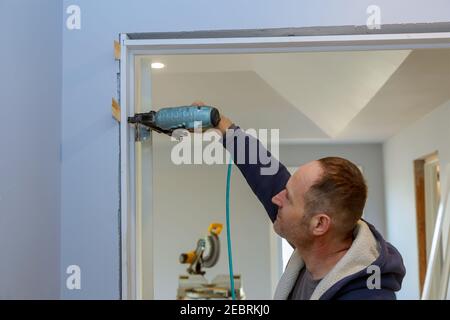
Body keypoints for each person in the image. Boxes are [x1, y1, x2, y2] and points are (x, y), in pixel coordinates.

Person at [191, 101, 406, 300]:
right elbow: (266, 174)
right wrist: (219, 123)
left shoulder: (367, 297)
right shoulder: (320, 242)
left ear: (319, 224)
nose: (276, 198)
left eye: (289, 198)